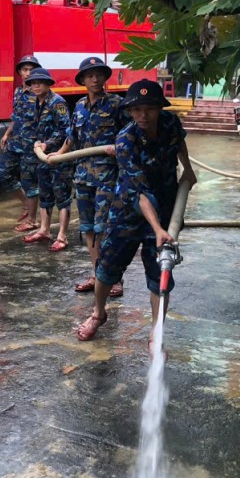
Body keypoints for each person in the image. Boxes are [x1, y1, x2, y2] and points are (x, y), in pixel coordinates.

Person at [77, 79, 197, 344]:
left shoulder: (170, 124)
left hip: (165, 205)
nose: (143, 115)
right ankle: (98, 313)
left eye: (150, 109)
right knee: (107, 267)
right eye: (137, 109)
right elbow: (140, 192)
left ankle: (157, 333)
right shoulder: (125, 141)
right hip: (127, 212)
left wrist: (186, 168)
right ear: (130, 111)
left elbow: (179, 142)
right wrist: (157, 230)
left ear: (159, 109)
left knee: (160, 272)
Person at [51, 56, 126, 293]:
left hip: (107, 176)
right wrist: (58, 154)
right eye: (90, 75)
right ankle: (97, 275)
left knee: (105, 228)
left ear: (105, 78)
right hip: (83, 176)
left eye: (99, 75)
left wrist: (119, 148)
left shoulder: (116, 104)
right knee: (88, 229)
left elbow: (129, 134)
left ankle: (114, 279)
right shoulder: (80, 106)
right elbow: (72, 137)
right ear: (82, 80)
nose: (95, 79)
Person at [21, 67, 72, 248]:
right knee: (45, 192)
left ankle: (62, 236)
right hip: (43, 157)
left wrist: (47, 145)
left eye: (39, 83)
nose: (35, 86)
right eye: (33, 83)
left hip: (59, 157)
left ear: (48, 84)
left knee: (62, 195)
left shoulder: (57, 103)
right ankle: (44, 230)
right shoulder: (37, 102)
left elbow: (65, 131)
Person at [0, 55, 42, 232]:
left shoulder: (39, 93)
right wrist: (6, 134)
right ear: (20, 72)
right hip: (15, 141)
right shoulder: (18, 91)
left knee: (29, 181)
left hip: (31, 144)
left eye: (31, 70)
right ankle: (26, 204)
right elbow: (15, 117)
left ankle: (32, 219)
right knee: (4, 174)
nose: (28, 73)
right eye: (25, 70)